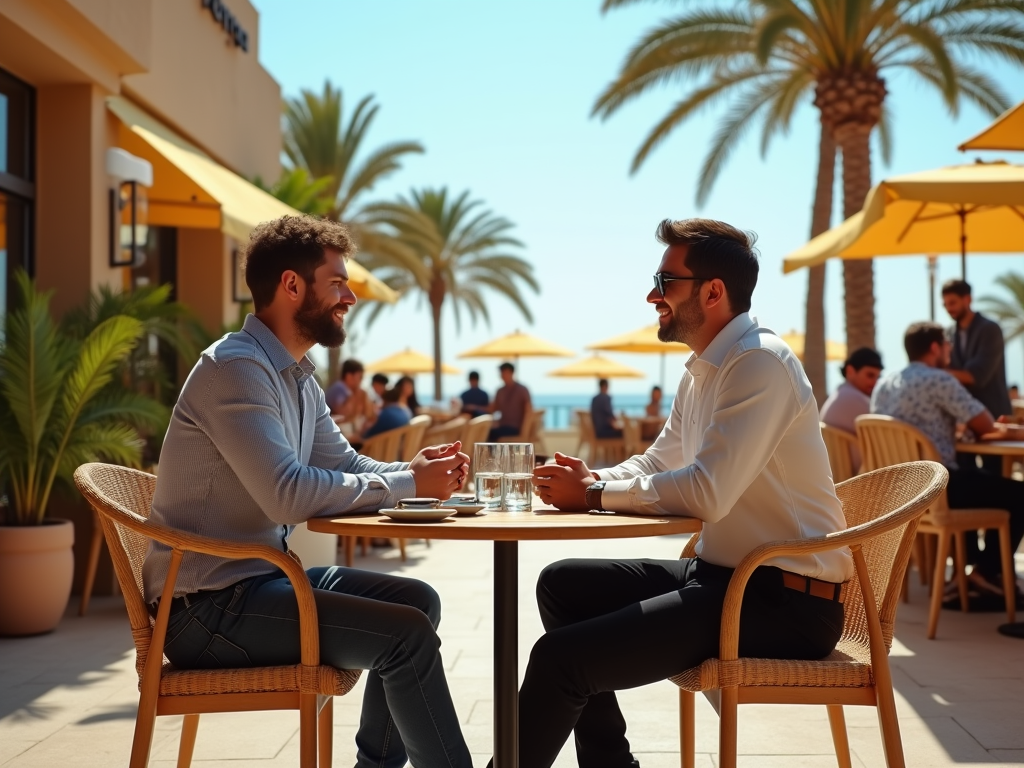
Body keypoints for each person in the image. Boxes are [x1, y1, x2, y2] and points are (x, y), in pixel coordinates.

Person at [142, 215, 473, 768]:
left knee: (418, 601)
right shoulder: (234, 369)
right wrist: (408, 484)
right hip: (205, 610)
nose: (350, 296)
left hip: (264, 581)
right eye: (338, 281)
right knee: (405, 636)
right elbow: (287, 496)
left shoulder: (295, 374)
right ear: (292, 285)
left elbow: (343, 462)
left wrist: (410, 472)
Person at [522, 218, 850, 768]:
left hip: (786, 600)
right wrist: (593, 481)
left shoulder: (760, 363)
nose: (652, 295)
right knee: (563, 585)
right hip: (726, 578)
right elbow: (659, 461)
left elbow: (706, 495)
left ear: (713, 291)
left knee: (560, 658)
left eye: (664, 280)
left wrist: (597, 495)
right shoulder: (705, 367)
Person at [871, 321, 1024, 603]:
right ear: (934, 347)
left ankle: (975, 575)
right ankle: (987, 573)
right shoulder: (939, 379)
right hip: (937, 487)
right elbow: (985, 425)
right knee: (1018, 495)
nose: (950, 349)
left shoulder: (884, 384)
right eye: (947, 344)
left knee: (986, 484)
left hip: (902, 493)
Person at [942, 279, 1012, 474]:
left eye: (953, 303)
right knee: (967, 473)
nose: (949, 309)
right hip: (963, 419)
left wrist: (938, 374)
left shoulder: (990, 329)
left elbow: (977, 376)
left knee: (996, 476)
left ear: (968, 299)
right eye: (946, 304)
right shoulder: (949, 333)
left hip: (993, 415)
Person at [819, 347, 883, 470]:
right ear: (850, 371)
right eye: (870, 375)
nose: (875, 382)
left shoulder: (840, 394)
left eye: (877, 377)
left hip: (839, 474)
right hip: (860, 477)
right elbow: (884, 438)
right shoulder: (853, 398)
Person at [325, 358, 377, 431]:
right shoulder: (340, 389)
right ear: (349, 376)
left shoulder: (345, 390)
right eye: (360, 377)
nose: (361, 381)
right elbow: (343, 415)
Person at [488, 361, 531, 440]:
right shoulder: (500, 391)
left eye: (505, 372)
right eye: (502, 373)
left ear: (511, 373)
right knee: (487, 431)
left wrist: (525, 431)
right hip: (502, 426)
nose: (503, 375)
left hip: (515, 428)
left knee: (490, 434)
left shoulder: (522, 390)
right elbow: (493, 409)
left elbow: (528, 410)